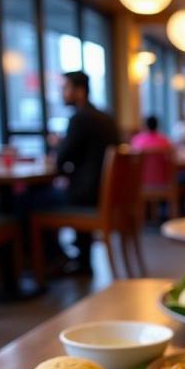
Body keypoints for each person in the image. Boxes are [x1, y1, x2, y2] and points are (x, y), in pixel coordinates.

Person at [51, 70, 119, 272]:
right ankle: (76, 258)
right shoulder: (106, 117)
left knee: (33, 200)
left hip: (87, 195)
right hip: (104, 193)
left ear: (80, 91)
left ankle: (53, 259)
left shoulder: (80, 119)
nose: (62, 93)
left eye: (66, 88)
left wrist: (57, 145)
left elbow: (62, 158)